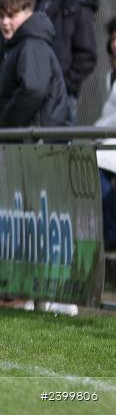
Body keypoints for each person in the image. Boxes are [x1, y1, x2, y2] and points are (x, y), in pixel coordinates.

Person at [33, 0, 98, 124]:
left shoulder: (76, 4)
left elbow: (87, 54)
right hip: (34, 93)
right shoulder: (34, 4)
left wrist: (65, 85)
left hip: (63, 96)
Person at [0, 0, 69, 128]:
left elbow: (34, 89)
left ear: (29, 13)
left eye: (11, 15)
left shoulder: (32, 44)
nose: (5, 22)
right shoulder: (18, 45)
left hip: (37, 138)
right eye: (1, 15)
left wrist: (6, 121)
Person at [94, 16, 116, 251]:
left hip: (109, 138)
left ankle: (111, 232)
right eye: (113, 38)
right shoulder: (109, 75)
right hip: (107, 137)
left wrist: (97, 131)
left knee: (98, 165)